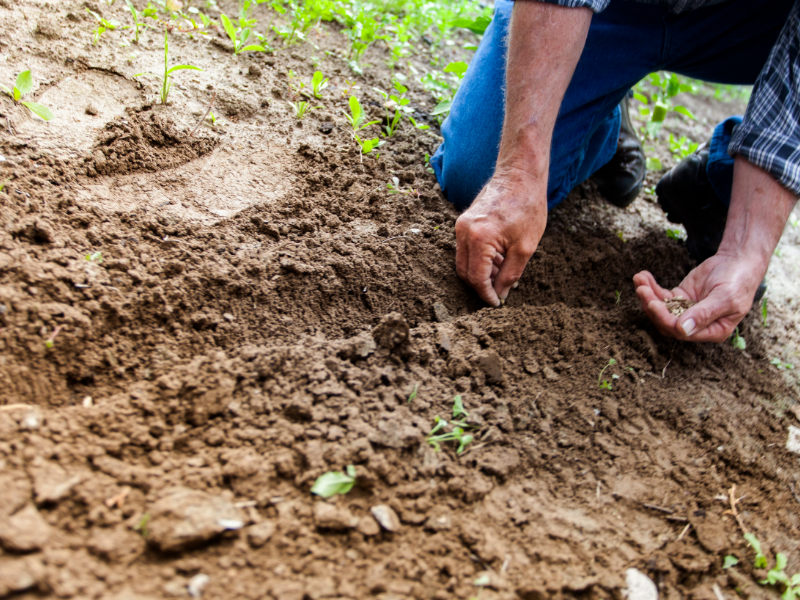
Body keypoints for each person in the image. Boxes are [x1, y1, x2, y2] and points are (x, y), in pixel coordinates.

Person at [430, 0, 799, 343]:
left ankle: (722, 183)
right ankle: (601, 109)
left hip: (752, 21)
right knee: (477, 172)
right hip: (617, 8)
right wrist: (519, 171)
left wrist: (744, 252)